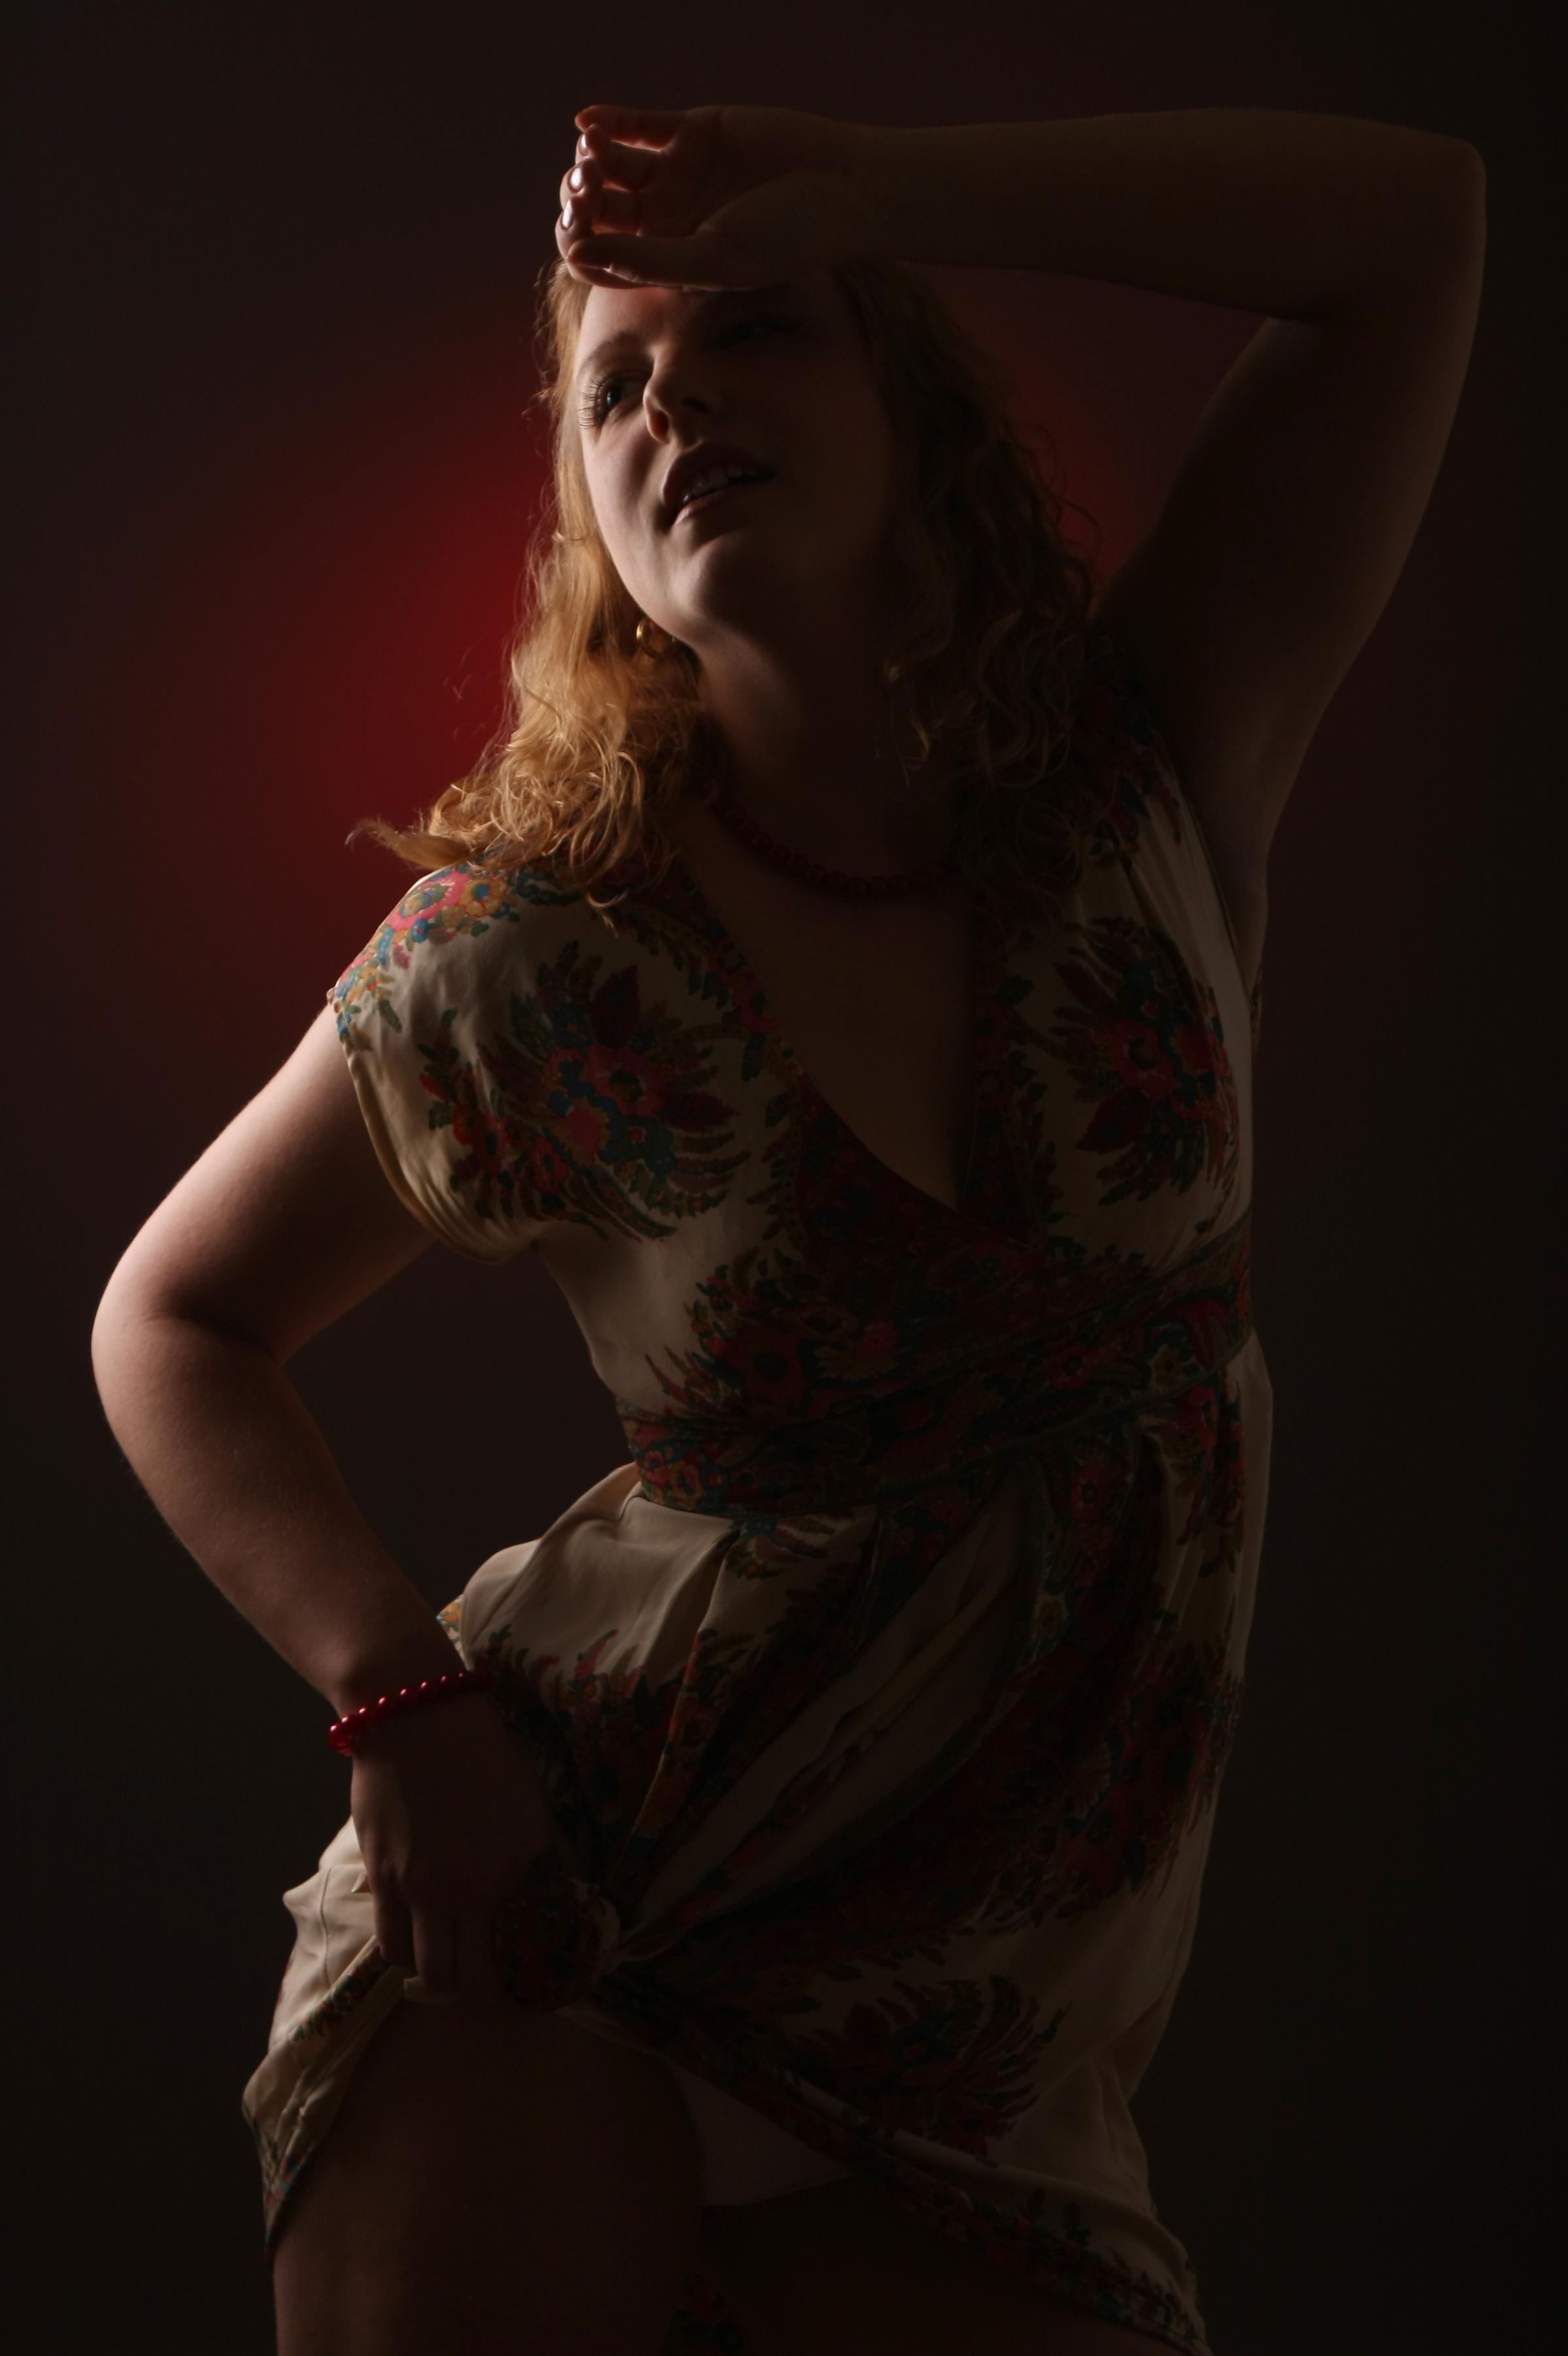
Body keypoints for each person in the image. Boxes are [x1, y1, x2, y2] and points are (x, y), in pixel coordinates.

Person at [90, 99, 1485, 2356]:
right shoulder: (539, 949)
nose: (679, 403)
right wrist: (402, 1701)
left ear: (915, 409)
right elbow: (167, 1318)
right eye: (616, 385)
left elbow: (1416, 227)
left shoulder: (1148, 768)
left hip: (984, 2042)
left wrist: (884, 188)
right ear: (587, 515)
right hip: (571, 1909)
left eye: (758, 329)